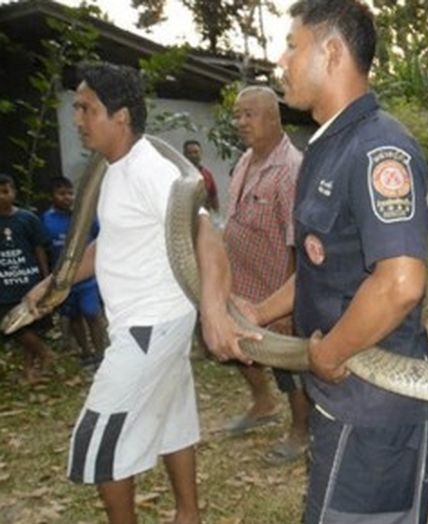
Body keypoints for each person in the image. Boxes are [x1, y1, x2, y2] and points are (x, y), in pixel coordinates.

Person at [233, 2, 428, 521]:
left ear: (331, 51)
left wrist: (331, 353)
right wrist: (256, 314)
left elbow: (399, 283)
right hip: (339, 396)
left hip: (374, 405)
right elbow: (319, 266)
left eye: (292, 45)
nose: (281, 59)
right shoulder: (326, 146)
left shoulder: (378, 149)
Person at [24, 62, 247, 524]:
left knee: (98, 443)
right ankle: (189, 515)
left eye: (87, 108)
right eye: (76, 108)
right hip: (152, 321)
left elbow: (207, 235)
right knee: (171, 419)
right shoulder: (113, 168)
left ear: (120, 116)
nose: (77, 118)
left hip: (149, 325)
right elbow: (113, 241)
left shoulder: (151, 171)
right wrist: (58, 281)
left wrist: (214, 311)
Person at [222, 85, 310, 464]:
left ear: (273, 117)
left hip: (274, 292)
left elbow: (298, 243)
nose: (240, 122)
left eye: (249, 114)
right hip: (240, 284)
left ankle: (301, 431)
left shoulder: (291, 168)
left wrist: (288, 308)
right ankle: (262, 403)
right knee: (230, 348)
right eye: (237, 114)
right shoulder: (246, 160)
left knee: (288, 367)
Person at [42, 176, 107, 369]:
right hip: (63, 280)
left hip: (88, 278)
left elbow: (101, 238)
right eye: (61, 193)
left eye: (70, 193)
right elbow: (43, 248)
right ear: (52, 196)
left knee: (92, 313)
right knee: (74, 316)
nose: (67, 197)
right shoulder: (45, 220)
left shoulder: (85, 215)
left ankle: (102, 354)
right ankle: (85, 353)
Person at [0, 173, 54, 383]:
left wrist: (44, 278)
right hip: (3, 287)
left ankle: (31, 369)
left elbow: (39, 248)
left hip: (27, 283)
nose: (2, 196)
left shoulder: (27, 218)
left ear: (14, 192)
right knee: (9, 325)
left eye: (6, 191)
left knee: (26, 326)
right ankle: (44, 353)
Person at [183, 139, 219, 212]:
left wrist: (217, 215)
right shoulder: (179, 173)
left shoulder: (207, 174)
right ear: (184, 155)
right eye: (189, 153)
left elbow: (213, 196)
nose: (193, 155)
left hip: (203, 216)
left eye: (196, 152)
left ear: (201, 153)